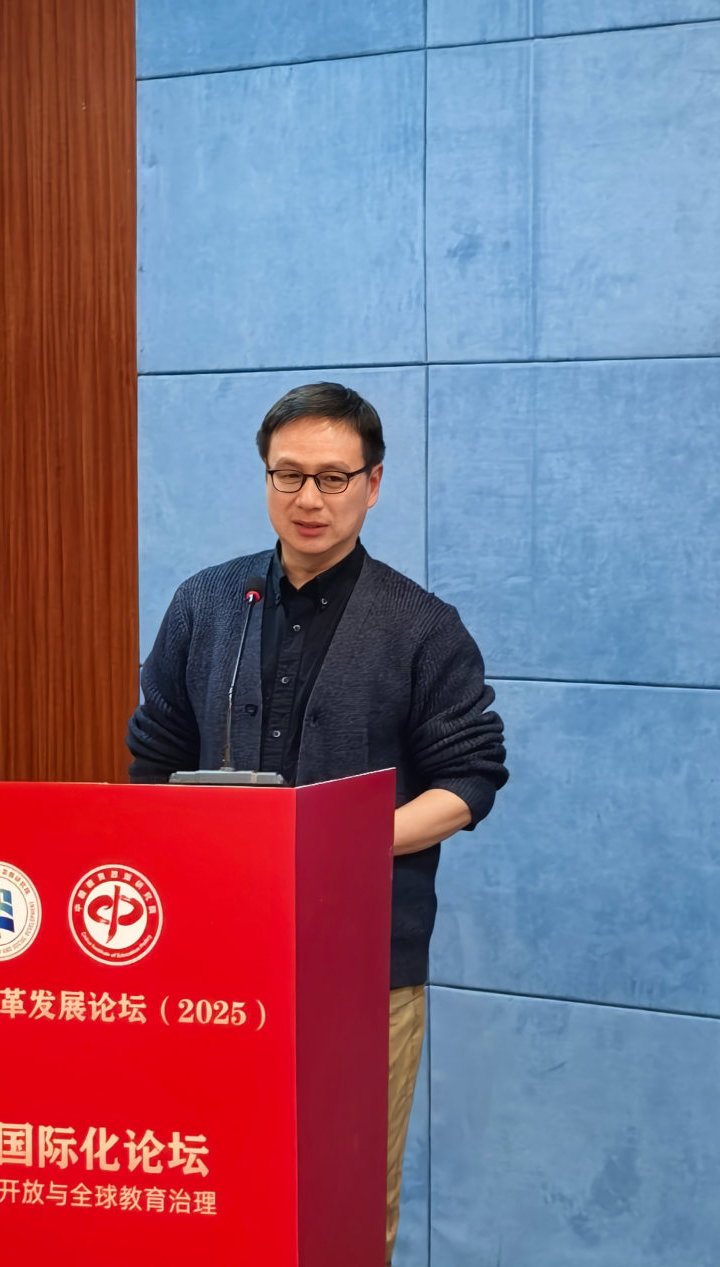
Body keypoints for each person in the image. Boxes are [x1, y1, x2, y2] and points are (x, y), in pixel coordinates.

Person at [126, 381, 507, 1263]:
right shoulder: (204, 602)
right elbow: (153, 756)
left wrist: (345, 843)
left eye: (333, 478)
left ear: (372, 484)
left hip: (364, 963)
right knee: (210, 1185)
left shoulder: (421, 626)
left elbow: (469, 779)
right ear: (265, 478)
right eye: (288, 474)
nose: (309, 498)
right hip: (214, 956)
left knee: (344, 1201)